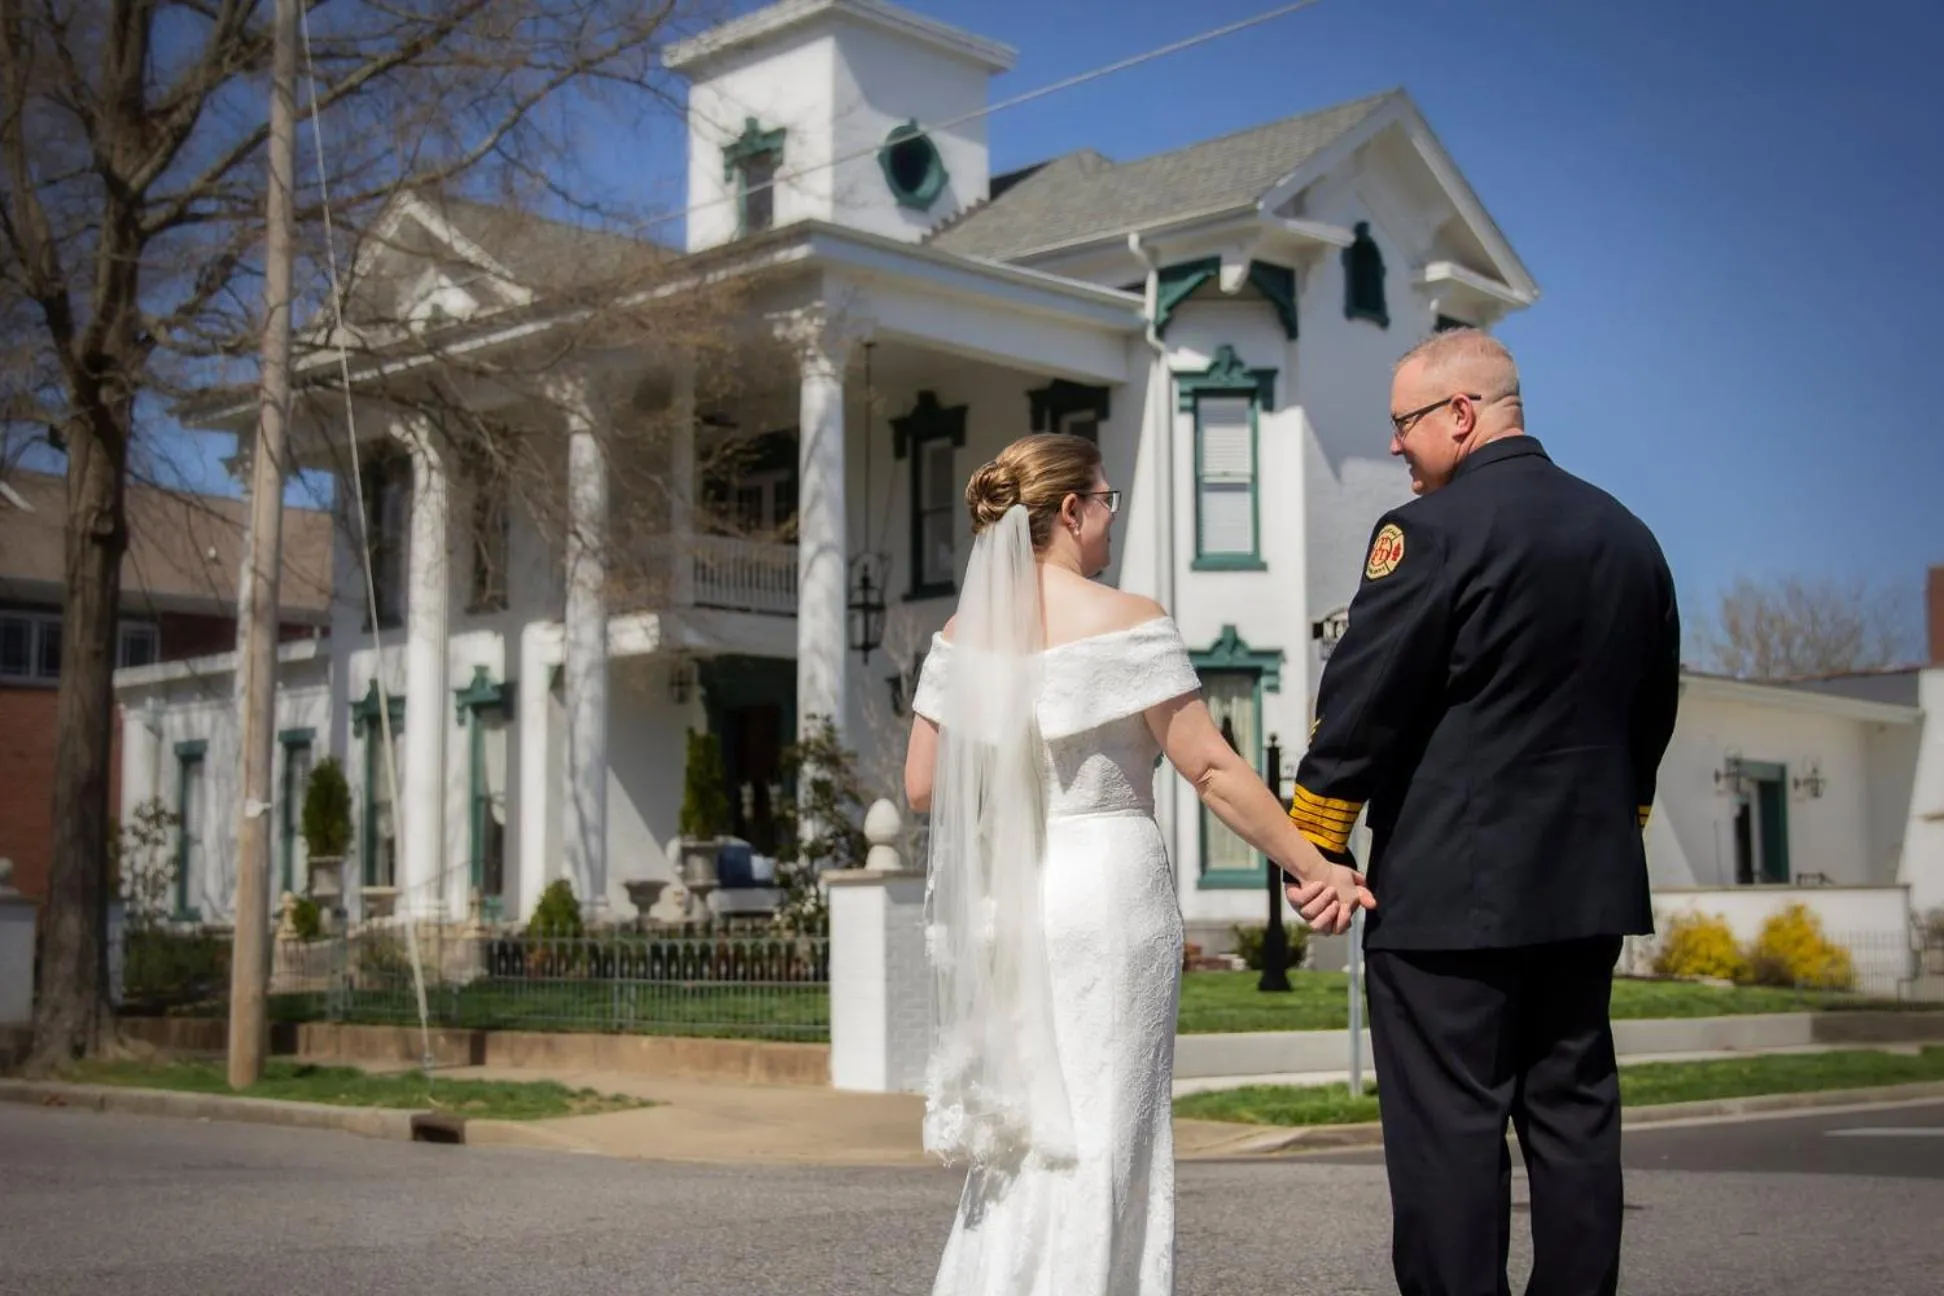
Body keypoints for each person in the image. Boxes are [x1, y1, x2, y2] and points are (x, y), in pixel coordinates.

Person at [903, 432, 1371, 1296]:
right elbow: (1213, 767)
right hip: (1111, 890)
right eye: (1108, 499)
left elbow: (925, 786)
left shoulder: (964, 635)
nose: (1113, 516)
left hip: (1026, 891)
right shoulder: (1129, 620)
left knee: (1030, 1129)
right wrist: (1315, 865)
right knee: (1111, 1129)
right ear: (1072, 512)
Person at [1284, 328, 1681, 1296]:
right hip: (1584, 896)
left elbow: (1363, 700)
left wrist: (1313, 846)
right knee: (1576, 1126)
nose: (1394, 447)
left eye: (1404, 424)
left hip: (1446, 904)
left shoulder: (1427, 534)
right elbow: (1652, 709)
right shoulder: (1629, 536)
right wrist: (1616, 824)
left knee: (1451, 1147)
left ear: (1460, 415)